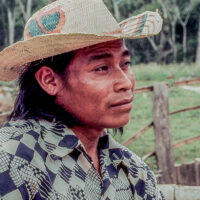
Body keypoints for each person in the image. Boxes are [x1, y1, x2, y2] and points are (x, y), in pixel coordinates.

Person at [0, 0, 165, 199]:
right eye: (102, 68)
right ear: (50, 80)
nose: (126, 82)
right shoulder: (12, 156)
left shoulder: (134, 172)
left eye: (126, 63)